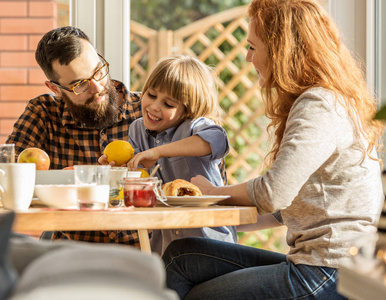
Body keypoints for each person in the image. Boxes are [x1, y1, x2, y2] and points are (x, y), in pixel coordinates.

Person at [161, 0, 384, 299]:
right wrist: (211, 212)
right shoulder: (328, 100)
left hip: (329, 272)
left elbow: (272, 193)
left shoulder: (318, 104)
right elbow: (285, 209)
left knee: (200, 295)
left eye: (253, 47)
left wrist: (211, 192)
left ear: (281, 50)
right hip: (322, 266)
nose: (247, 57)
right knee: (181, 256)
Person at [6, 26, 143, 246]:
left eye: (98, 71)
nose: (97, 87)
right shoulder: (44, 113)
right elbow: (8, 175)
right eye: (79, 84)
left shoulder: (149, 112)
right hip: (73, 254)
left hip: (148, 250)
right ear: (56, 89)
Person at [120, 55, 238, 254]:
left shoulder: (195, 126)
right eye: (151, 94)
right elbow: (137, 177)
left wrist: (157, 152)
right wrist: (118, 167)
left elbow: (218, 139)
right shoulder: (137, 130)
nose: (154, 106)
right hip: (166, 245)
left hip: (211, 243)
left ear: (188, 109)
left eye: (169, 104)